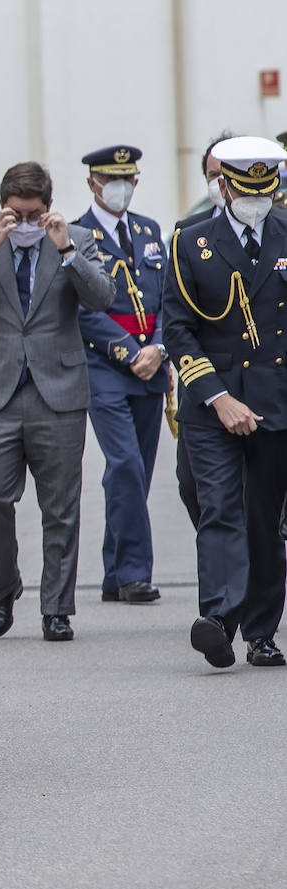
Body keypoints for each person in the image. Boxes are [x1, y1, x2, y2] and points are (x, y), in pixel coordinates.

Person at [0, 160, 114, 643]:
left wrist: (64, 249)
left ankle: (57, 608)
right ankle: (4, 587)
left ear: (49, 209)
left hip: (57, 392)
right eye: (16, 214)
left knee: (60, 506)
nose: (26, 223)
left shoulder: (75, 239)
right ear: (2, 210)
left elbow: (103, 298)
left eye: (34, 214)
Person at [163, 135, 287, 669]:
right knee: (219, 508)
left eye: (267, 190)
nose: (257, 200)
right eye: (248, 190)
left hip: (276, 402)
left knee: (263, 520)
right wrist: (217, 397)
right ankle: (217, 618)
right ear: (225, 186)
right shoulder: (190, 241)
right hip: (212, 404)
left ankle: (261, 632)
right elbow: (178, 329)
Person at [72, 146, 167, 605]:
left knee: (136, 472)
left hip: (152, 365)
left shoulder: (149, 231)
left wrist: (159, 348)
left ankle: (114, 569)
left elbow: (171, 297)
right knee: (125, 464)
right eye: (113, 179)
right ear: (93, 182)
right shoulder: (77, 234)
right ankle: (133, 573)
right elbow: (80, 309)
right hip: (105, 366)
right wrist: (130, 352)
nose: (122, 188)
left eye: (129, 179)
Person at [173, 132, 236, 529]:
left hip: (262, 384)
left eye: (227, 175)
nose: (221, 185)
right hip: (203, 386)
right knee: (191, 487)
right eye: (213, 175)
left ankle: (242, 581)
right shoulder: (188, 233)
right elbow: (177, 320)